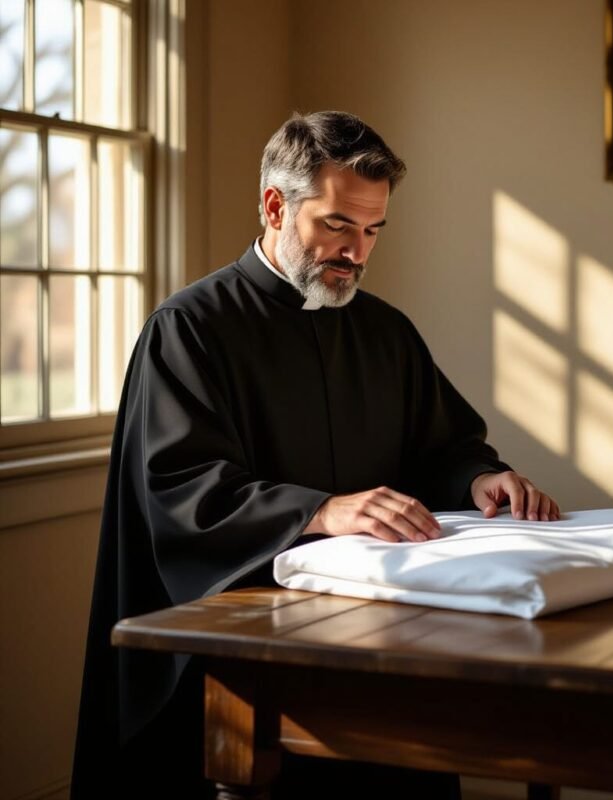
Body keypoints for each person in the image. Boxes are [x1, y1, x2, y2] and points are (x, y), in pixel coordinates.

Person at [71, 110, 560, 799]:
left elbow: (441, 445)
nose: (356, 252)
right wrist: (323, 512)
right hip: (248, 652)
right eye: (337, 225)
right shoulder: (188, 330)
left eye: (371, 231)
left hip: (383, 641)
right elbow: (183, 490)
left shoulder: (385, 332)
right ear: (275, 205)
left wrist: (480, 477)